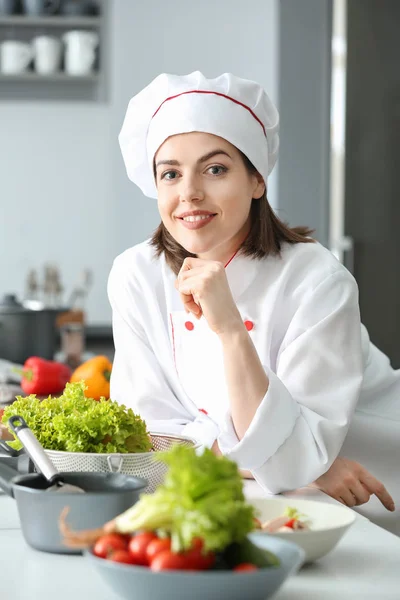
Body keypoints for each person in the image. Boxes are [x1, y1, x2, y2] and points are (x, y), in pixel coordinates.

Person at [108, 71, 399, 534]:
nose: (190, 193)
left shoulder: (318, 281)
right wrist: (287, 459)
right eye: (170, 173)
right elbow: (143, 442)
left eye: (215, 168)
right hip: (293, 491)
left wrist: (228, 329)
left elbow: (290, 457)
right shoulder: (136, 276)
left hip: (376, 486)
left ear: (257, 180)